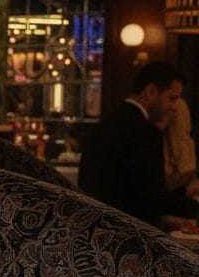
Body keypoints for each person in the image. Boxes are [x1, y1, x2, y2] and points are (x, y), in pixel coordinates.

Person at [79, 61, 198, 229]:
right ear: (151, 91)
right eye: (172, 99)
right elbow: (152, 197)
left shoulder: (103, 125)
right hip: (128, 237)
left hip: (94, 228)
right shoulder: (145, 132)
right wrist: (195, 209)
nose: (175, 108)